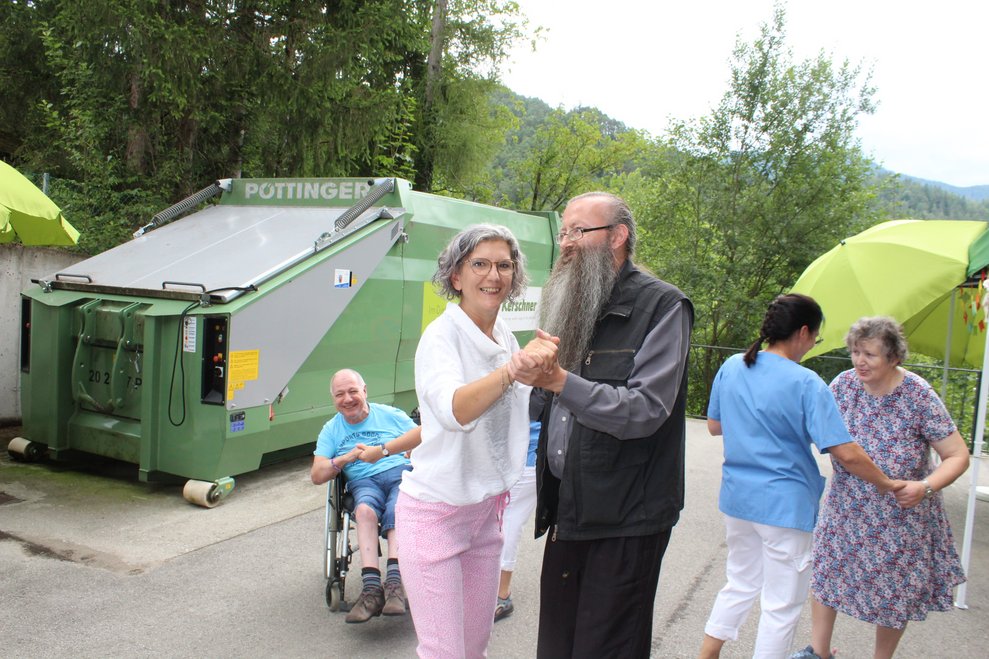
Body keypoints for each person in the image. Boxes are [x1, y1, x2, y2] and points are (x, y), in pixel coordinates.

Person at [509, 191, 694, 658]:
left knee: (607, 646)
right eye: (563, 232)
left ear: (617, 236)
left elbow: (645, 409)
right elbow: (547, 401)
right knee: (559, 644)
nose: (566, 243)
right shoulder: (572, 301)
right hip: (570, 507)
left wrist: (558, 380)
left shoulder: (663, 306)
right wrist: (529, 381)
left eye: (578, 231)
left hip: (627, 515)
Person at [697, 295, 905, 659]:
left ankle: (707, 653)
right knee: (781, 605)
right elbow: (846, 452)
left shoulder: (732, 366)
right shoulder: (807, 382)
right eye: (816, 338)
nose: (812, 345)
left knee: (740, 582)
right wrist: (886, 483)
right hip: (785, 507)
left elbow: (715, 425)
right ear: (804, 332)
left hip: (737, 499)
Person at [396, 224, 543, 658]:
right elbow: (455, 409)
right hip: (435, 514)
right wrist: (512, 371)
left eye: (504, 265)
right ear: (456, 276)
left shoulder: (504, 336)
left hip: (486, 514)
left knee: (475, 647)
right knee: (445, 652)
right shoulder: (441, 337)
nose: (493, 275)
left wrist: (543, 370)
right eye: (479, 264)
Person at [794, 316, 969, 659]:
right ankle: (819, 652)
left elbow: (957, 455)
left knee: (893, 592)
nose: (860, 361)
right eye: (855, 352)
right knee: (827, 575)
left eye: (870, 354)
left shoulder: (917, 394)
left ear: (893, 357)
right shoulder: (843, 386)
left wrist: (925, 487)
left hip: (899, 515)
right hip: (846, 509)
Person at [310, 369, 421, 624]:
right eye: (340, 394)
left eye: (353, 391)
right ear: (333, 399)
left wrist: (410, 452)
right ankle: (371, 590)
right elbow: (317, 475)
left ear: (365, 391)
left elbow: (423, 438)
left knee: (399, 507)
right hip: (363, 481)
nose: (347, 399)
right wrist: (344, 458)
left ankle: (394, 584)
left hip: (399, 473)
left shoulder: (391, 415)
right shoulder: (331, 430)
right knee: (364, 511)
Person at [494, 404, 542, 623]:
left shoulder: (532, 389)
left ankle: (502, 595)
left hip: (527, 459)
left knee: (508, 523)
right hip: (516, 457)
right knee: (501, 522)